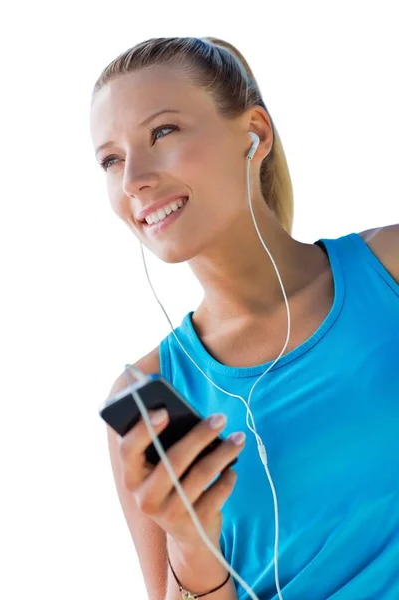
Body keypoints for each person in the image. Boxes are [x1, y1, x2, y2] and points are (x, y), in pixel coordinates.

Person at [90, 36, 399, 600]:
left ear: (253, 132)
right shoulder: (149, 395)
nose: (133, 177)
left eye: (163, 132)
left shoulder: (390, 272)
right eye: (110, 159)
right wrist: (189, 543)